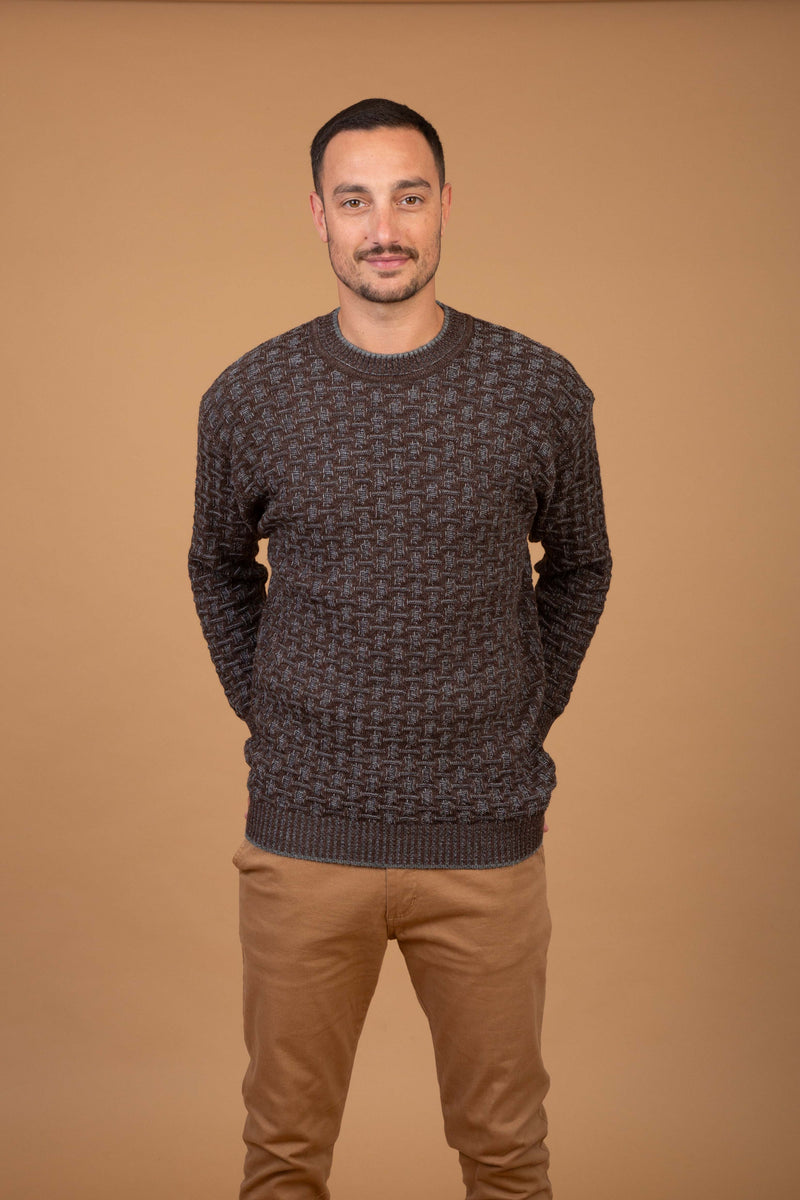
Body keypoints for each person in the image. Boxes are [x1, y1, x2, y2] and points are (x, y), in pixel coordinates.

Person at [188, 97, 612, 1200]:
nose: (383, 228)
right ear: (318, 217)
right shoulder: (249, 395)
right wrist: (273, 710)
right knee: (283, 1159)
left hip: (484, 845)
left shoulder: (538, 388)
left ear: (445, 206)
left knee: (507, 1158)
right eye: (355, 201)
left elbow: (580, 566)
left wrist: (521, 714)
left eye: (407, 197)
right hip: (302, 840)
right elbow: (217, 566)